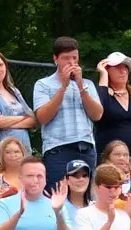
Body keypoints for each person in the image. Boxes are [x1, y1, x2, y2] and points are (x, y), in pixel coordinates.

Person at [33, 36, 103, 191]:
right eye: (66, 58)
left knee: (86, 198)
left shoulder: (87, 84)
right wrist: (63, 87)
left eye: (75, 58)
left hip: (86, 150)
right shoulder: (43, 84)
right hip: (58, 150)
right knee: (57, 196)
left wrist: (80, 86)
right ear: (55, 59)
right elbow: (43, 117)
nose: (71, 63)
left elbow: (97, 115)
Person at [92, 52, 131, 181]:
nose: (123, 71)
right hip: (109, 162)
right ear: (107, 70)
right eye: (117, 67)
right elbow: (97, 111)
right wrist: (103, 77)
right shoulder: (101, 94)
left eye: (125, 67)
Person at [0, 51, 37, 178]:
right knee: (0, 189)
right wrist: (22, 118)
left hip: (22, 151)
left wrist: (8, 121)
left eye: (1, 65)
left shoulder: (13, 90)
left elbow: (33, 120)